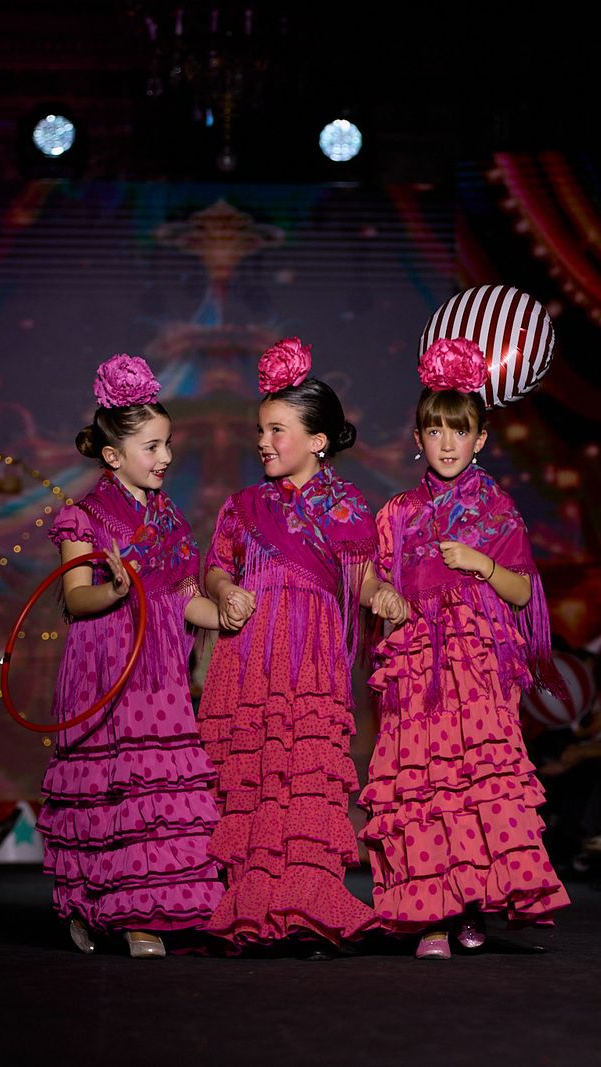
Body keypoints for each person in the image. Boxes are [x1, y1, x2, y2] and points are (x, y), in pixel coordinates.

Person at [359, 338, 571, 959]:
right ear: (418, 438)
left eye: (460, 431)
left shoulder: (500, 513)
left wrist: (481, 564)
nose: (447, 443)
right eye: (434, 430)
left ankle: (473, 903)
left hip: (478, 672)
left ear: (481, 439)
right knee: (423, 787)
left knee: (475, 788)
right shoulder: (397, 512)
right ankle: (431, 918)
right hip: (416, 669)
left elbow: (523, 592)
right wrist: (378, 594)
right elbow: (371, 575)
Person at [39, 354, 225, 959]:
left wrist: (227, 614)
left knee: (157, 794)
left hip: (158, 671)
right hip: (104, 665)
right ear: (113, 455)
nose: (165, 457)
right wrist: (115, 589)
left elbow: (182, 599)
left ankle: (150, 911)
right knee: (106, 791)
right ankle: (101, 913)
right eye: (152, 446)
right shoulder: (84, 516)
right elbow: (75, 598)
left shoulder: (168, 517)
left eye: (167, 444)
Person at [197, 339, 377, 953]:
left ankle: (306, 908)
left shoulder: (349, 507)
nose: (264, 441)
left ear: (318, 440)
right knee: (251, 781)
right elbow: (214, 567)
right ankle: (250, 909)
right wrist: (224, 592)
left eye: (278, 429)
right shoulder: (244, 506)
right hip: (249, 658)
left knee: (303, 779)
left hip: (309, 660)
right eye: (260, 429)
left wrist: (384, 595)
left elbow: (364, 574)